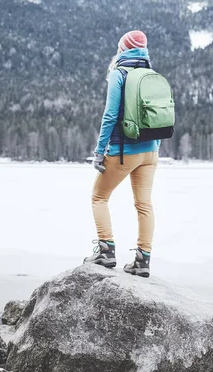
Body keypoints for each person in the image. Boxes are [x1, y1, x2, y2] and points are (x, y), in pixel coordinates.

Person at [84, 30, 160, 278]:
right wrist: (153, 149)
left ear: (122, 49)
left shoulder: (119, 73)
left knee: (99, 197)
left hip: (124, 151)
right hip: (150, 152)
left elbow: (109, 115)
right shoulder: (151, 74)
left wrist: (99, 151)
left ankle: (106, 251)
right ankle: (143, 260)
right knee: (144, 205)